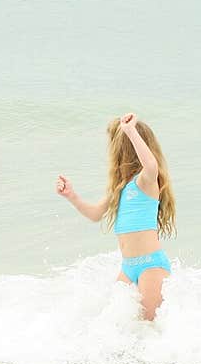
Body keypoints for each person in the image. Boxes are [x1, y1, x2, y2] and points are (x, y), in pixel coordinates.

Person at [56, 113, 176, 320]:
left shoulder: (145, 182)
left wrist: (130, 132)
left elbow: (151, 166)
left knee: (149, 327)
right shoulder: (120, 189)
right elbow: (95, 214)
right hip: (128, 267)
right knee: (116, 324)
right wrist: (72, 196)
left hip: (151, 266)